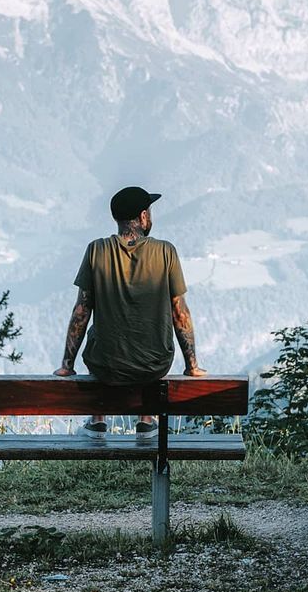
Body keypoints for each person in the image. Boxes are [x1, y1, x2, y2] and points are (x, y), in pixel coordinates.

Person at [54, 186, 206, 436]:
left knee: (96, 335)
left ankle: (97, 420)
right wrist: (192, 365)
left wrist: (67, 365)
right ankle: (146, 420)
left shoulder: (97, 250)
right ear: (144, 216)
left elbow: (81, 312)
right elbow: (180, 313)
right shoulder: (166, 252)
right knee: (150, 336)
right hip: (154, 365)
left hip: (107, 366)